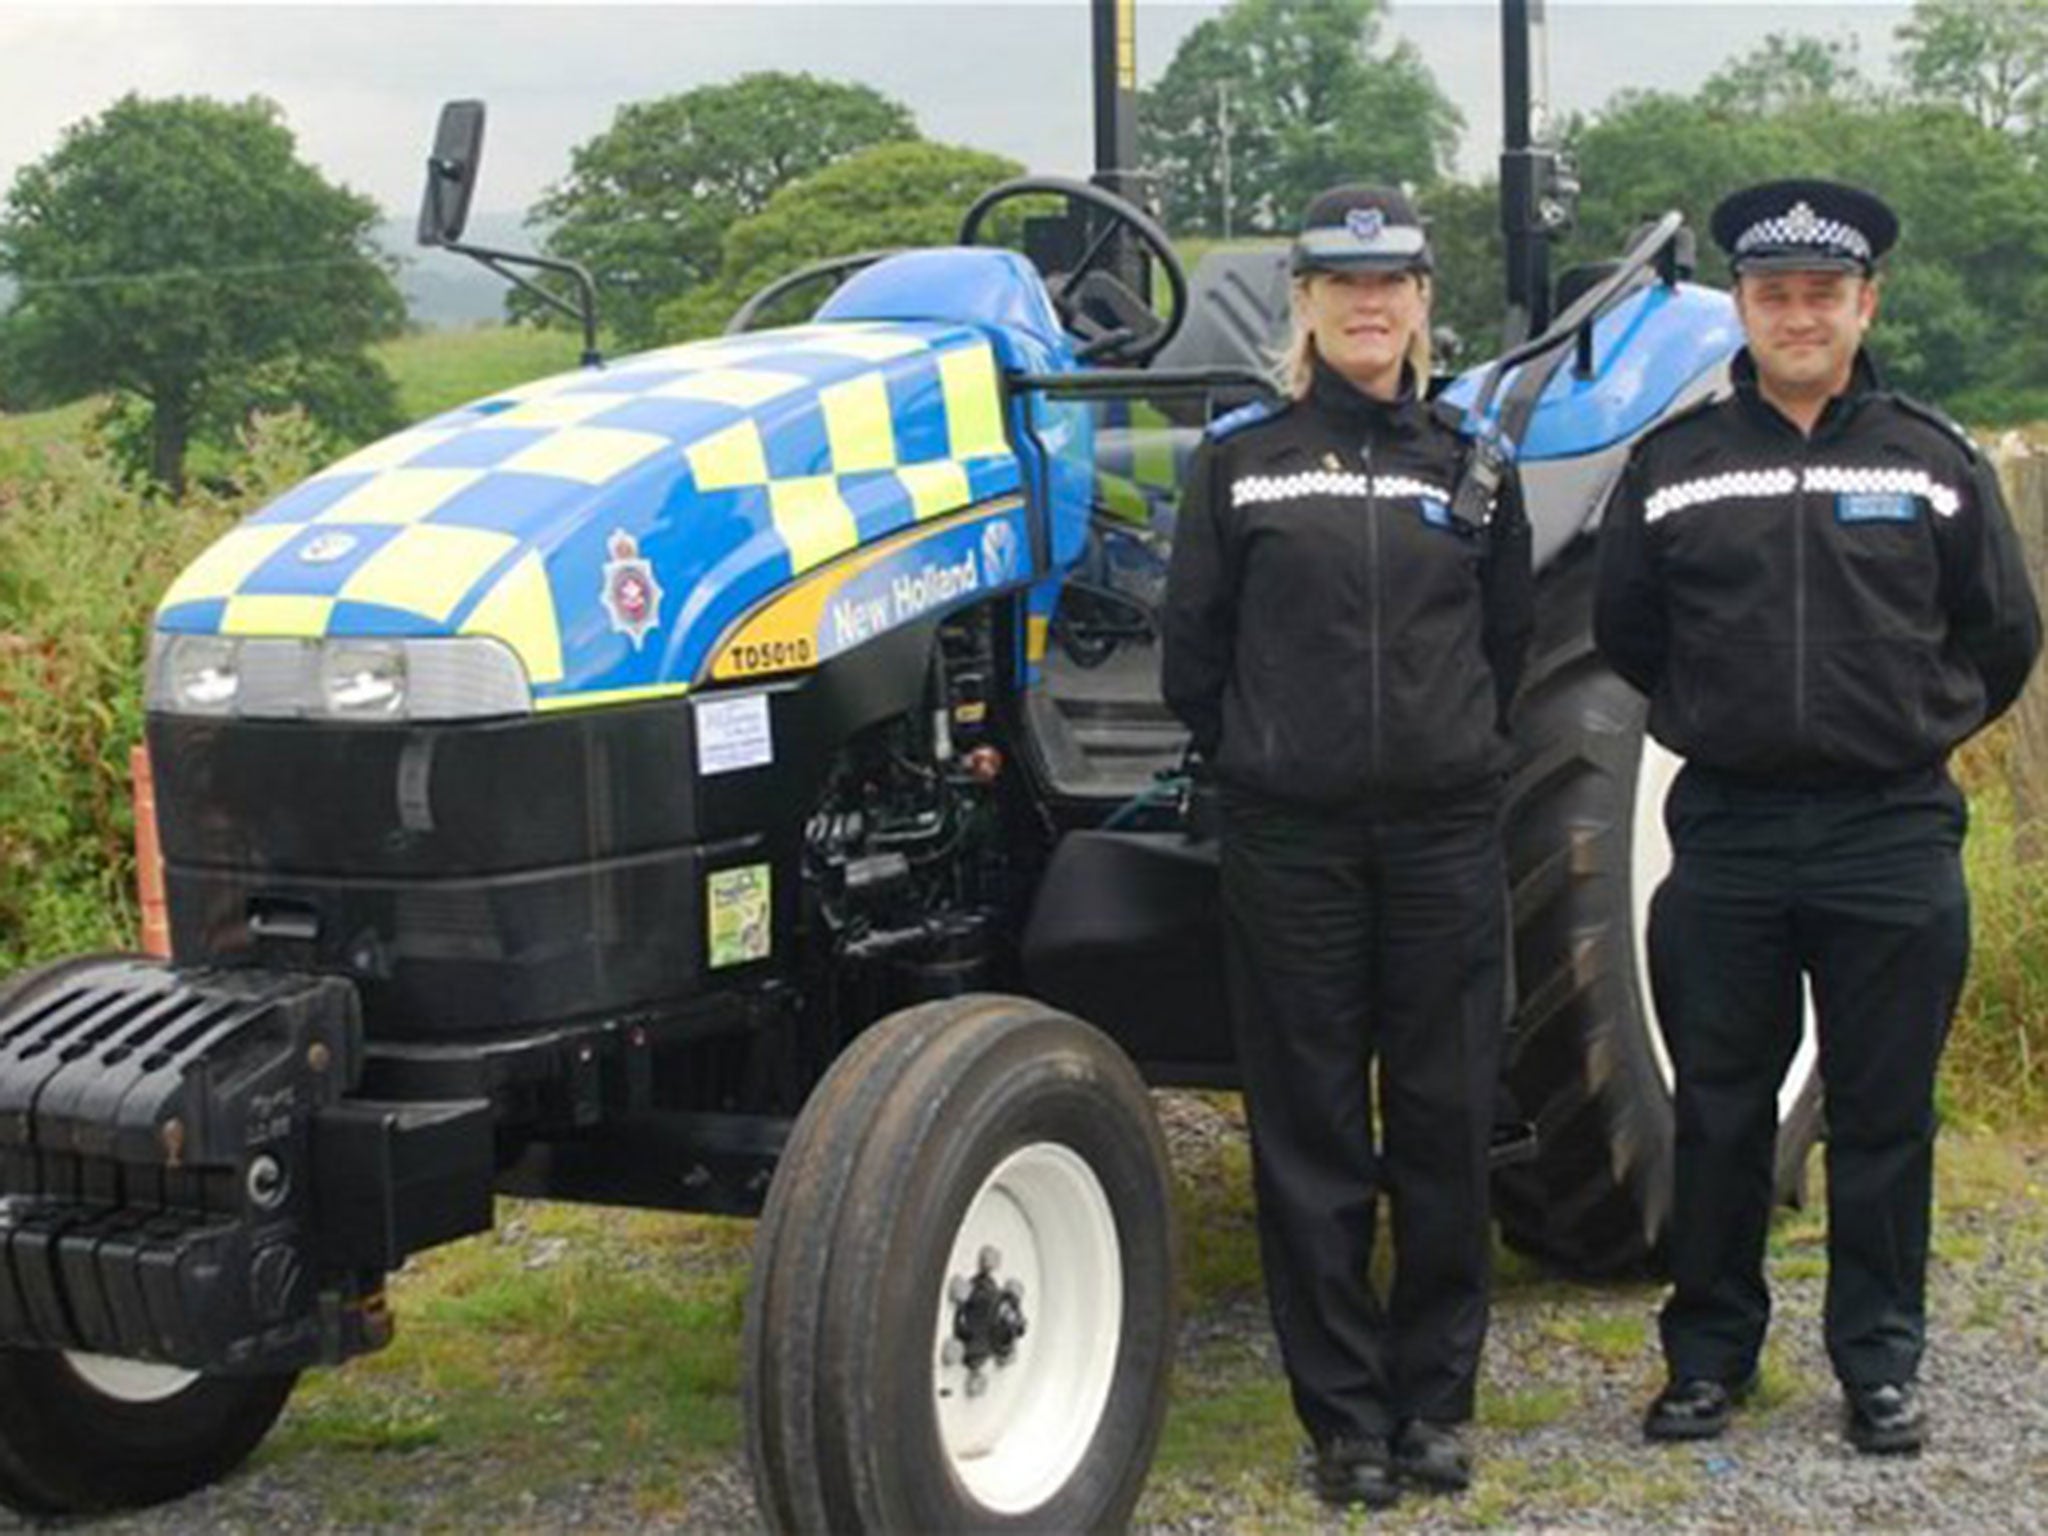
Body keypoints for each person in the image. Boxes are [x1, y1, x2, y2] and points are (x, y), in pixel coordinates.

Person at [1595, 179, 2041, 1455]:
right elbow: (1627, 633)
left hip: (1889, 832)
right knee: (1719, 1111)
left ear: (1863, 305)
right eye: (1773, 294)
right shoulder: (1672, 469)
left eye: (1821, 295)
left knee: (1885, 1114)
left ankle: (1877, 1363)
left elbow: (1999, 638)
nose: (1798, 316)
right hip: (1727, 833)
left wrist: (1903, 727)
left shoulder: (1929, 461)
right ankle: (1709, 1358)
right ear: (1740, 306)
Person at [1162, 184, 1532, 1509]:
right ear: (1306, 305)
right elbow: (1192, 660)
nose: (1369, 305)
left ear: (1423, 301)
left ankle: (1436, 1404)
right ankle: (1343, 1420)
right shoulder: (1241, 462)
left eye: (1393, 284)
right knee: (1310, 1133)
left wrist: (1437, 755)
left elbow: (1507, 648)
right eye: (1341, 284)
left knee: (1444, 1121)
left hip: (1441, 841)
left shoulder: (1473, 465)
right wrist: (1274, 755)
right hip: (1292, 844)